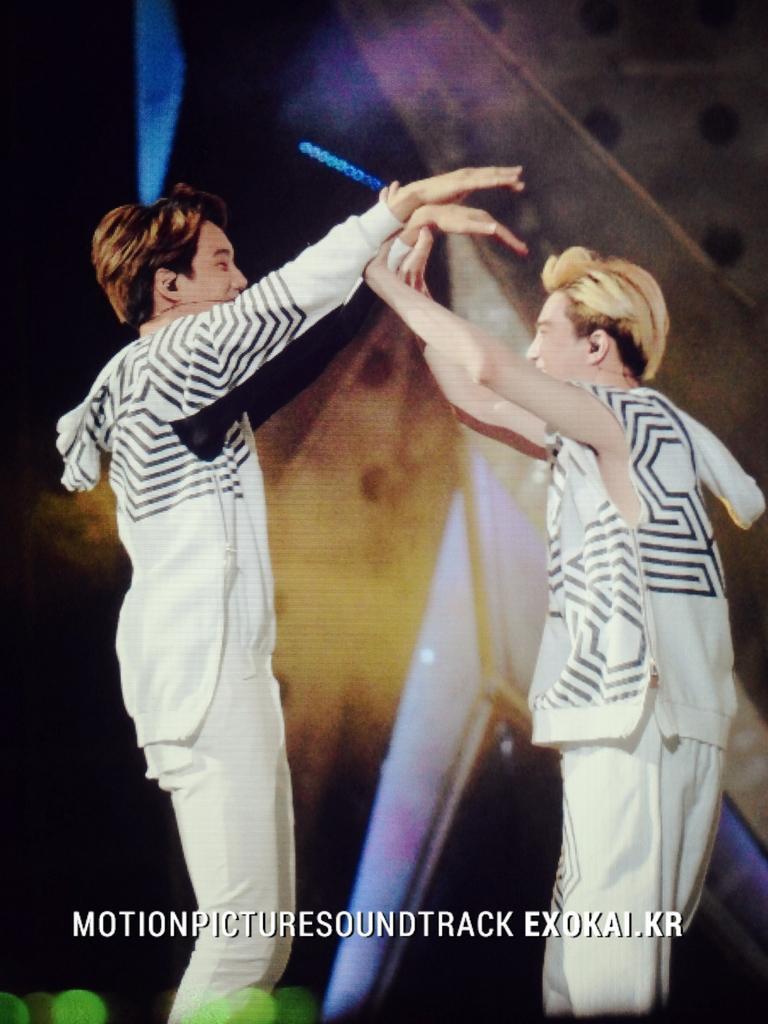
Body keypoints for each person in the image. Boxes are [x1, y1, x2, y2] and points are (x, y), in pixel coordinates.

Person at [55, 167, 525, 1023]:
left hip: (213, 668)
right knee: (243, 939)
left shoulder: (158, 378)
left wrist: (380, 272)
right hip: (205, 669)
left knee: (259, 939)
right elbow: (291, 298)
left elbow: (296, 354)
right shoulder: (174, 357)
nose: (239, 279)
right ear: (169, 287)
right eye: (221, 263)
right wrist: (392, 209)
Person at [364, 224, 765, 1016]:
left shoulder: (619, 419)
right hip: (649, 715)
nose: (532, 351)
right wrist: (423, 304)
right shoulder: (631, 426)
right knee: (588, 946)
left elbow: (488, 370)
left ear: (598, 347)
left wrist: (387, 285)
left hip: (640, 714)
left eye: (546, 334)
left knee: (608, 948)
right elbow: (477, 401)